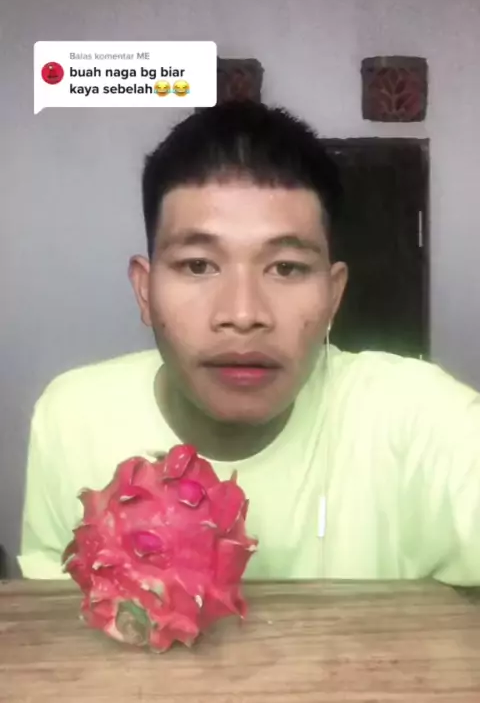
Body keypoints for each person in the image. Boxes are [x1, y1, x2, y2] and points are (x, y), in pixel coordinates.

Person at [18, 101, 480, 584]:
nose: (243, 315)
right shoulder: (73, 418)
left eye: (286, 268)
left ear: (333, 296)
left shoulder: (414, 420)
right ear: (145, 291)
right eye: (198, 265)